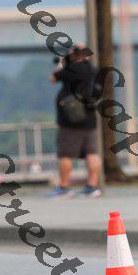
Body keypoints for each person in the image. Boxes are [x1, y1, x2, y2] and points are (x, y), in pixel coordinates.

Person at [48, 43, 102, 198]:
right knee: (92, 152)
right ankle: (92, 187)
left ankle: (65, 187)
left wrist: (61, 63)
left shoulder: (70, 69)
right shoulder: (92, 69)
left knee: (65, 154)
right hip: (90, 117)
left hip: (70, 119)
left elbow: (53, 78)